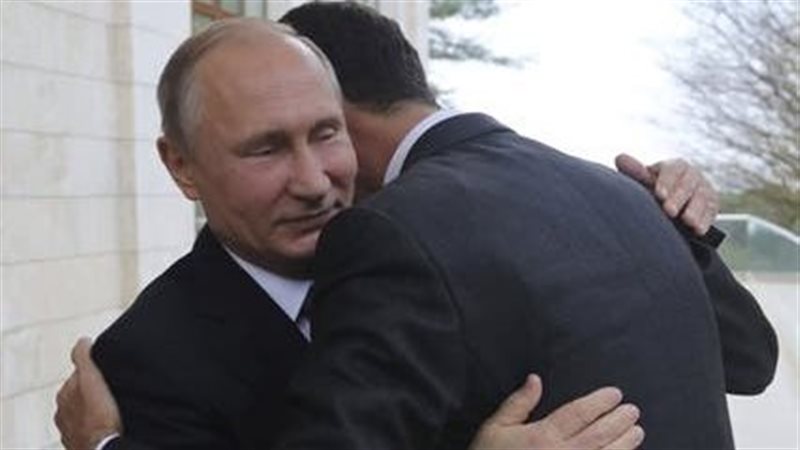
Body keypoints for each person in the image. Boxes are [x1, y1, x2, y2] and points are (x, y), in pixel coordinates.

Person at [54, 9, 777, 450]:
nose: (314, 180)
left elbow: (744, 357)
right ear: (181, 166)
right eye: (266, 149)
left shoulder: (436, 249)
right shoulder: (144, 363)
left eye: (327, 133)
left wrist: (676, 226)